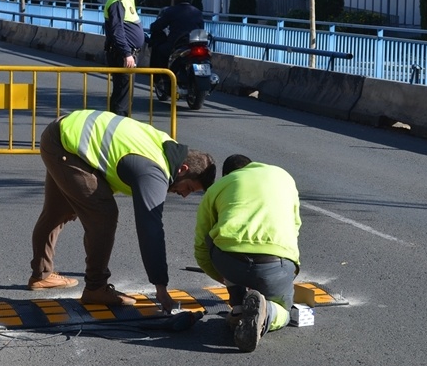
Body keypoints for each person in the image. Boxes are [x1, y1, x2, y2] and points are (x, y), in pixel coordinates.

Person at [28, 109, 217, 313]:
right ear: (183, 169)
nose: (184, 195)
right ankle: (95, 287)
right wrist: (161, 287)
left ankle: (41, 275)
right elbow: (150, 230)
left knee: (57, 211)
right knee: (104, 215)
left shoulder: (168, 148)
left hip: (65, 133)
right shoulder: (154, 171)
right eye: (188, 188)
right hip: (67, 146)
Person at [194, 154, 302, 352]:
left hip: (230, 261)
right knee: (285, 312)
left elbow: (201, 245)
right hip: (277, 263)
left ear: (227, 175)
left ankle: (238, 308)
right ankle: (269, 312)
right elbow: (294, 227)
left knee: (215, 236)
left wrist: (222, 277)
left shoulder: (220, 186)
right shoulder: (283, 176)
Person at [103, 0, 144, 116]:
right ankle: (117, 126)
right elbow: (117, 31)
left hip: (127, 53)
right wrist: (127, 53)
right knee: (122, 97)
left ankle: (116, 124)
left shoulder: (127, 0)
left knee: (124, 94)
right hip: (122, 54)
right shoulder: (117, 1)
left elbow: (128, 26)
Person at [148, 0, 205, 71]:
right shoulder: (198, 12)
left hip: (176, 44)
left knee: (159, 49)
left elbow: (158, 26)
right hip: (194, 44)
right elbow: (201, 28)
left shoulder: (171, 11)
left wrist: (153, 27)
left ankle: (161, 75)